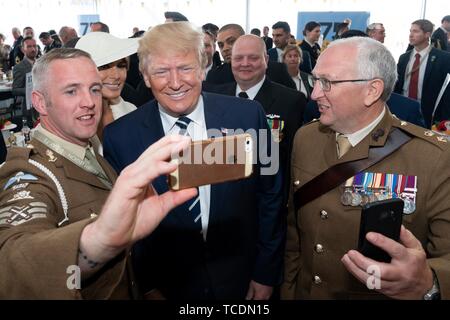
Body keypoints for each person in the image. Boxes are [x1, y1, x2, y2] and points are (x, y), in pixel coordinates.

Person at [103, 22, 284, 300]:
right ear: (145, 77)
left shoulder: (248, 116)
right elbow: (127, 223)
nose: (175, 83)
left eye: (185, 68)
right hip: (169, 285)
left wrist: (265, 273)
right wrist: (148, 285)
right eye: (161, 71)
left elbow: (271, 196)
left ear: (202, 68)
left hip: (241, 276)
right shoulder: (120, 137)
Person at [0, 48, 197, 299]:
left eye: (94, 89)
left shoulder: (88, 150)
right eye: (71, 91)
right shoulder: (29, 172)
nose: (89, 102)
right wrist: (99, 241)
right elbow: (11, 261)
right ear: (40, 102)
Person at [282, 36, 450, 300]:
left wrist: (429, 282)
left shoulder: (434, 157)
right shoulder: (306, 138)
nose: (314, 94)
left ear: (372, 90)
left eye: (328, 82)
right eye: (315, 80)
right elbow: (294, 234)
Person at [75, 32, 138, 145]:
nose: (116, 75)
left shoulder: (131, 111)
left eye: (121, 65)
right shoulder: (68, 119)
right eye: (104, 66)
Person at [394, 19, 450, 128]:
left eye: (415, 31)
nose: (411, 35)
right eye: (410, 31)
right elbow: (397, 85)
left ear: (427, 34)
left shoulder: (443, 58)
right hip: (403, 110)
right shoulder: (404, 58)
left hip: (428, 114)